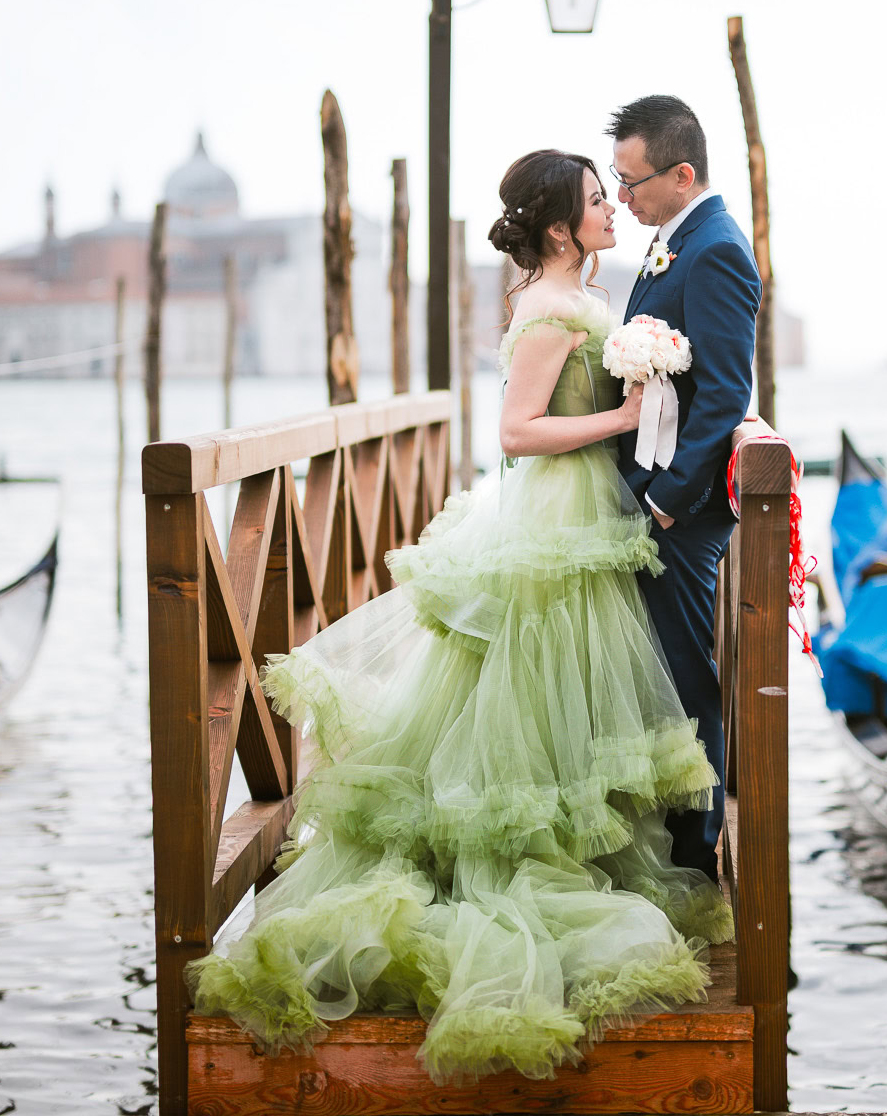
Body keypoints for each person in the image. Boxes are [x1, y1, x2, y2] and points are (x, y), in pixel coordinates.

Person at [188, 148, 733, 1085]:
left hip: (586, 514)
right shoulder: (551, 309)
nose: (612, 209)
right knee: (529, 690)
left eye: (614, 193)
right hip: (556, 519)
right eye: (598, 200)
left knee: (566, 699)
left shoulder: (578, 298)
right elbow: (517, 433)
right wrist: (621, 414)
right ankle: (507, 863)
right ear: (560, 227)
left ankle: (573, 843)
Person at [606, 96, 762, 879]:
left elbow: (727, 391)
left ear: (682, 174)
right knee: (659, 671)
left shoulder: (716, 249)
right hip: (655, 493)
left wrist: (667, 497)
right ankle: (670, 832)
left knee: (684, 676)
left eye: (630, 181)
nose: (622, 194)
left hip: (684, 513)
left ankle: (697, 854)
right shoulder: (676, 241)